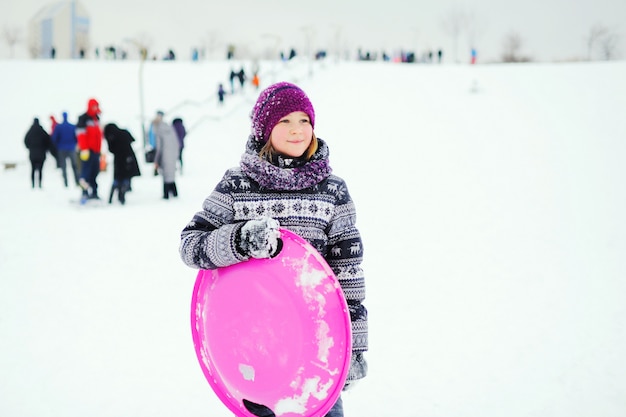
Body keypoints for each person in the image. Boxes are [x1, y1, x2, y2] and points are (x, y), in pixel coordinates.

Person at [179, 82, 368, 417]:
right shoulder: (237, 186)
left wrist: (351, 352)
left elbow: (348, 280)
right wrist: (239, 242)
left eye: (304, 121)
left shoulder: (332, 191)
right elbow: (191, 245)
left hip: (315, 351)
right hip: (255, 353)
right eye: (284, 121)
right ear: (265, 129)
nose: (297, 130)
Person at [103, 123, 141, 204]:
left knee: (117, 178)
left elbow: (111, 149)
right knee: (126, 177)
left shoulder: (111, 136)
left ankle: (111, 197)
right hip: (129, 157)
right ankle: (122, 195)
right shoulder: (124, 132)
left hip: (118, 159)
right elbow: (133, 140)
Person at [76, 98, 104, 202]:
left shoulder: (96, 118)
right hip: (87, 151)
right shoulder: (83, 118)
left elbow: (99, 136)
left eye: (96, 106)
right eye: (93, 106)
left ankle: (94, 192)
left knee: (95, 172)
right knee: (85, 173)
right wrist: (84, 148)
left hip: (96, 151)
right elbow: (81, 135)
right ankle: (84, 193)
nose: (95, 108)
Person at [152, 111, 179, 199]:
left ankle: (166, 194)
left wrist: (156, 160)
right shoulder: (169, 128)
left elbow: (159, 147)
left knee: (165, 175)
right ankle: (174, 193)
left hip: (164, 155)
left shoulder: (159, 130)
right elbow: (176, 142)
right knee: (171, 174)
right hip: (173, 154)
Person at [51, 111, 79, 187]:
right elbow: (76, 137)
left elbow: (54, 138)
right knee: (74, 166)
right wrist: (74, 143)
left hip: (61, 148)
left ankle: (66, 183)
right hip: (71, 148)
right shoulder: (72, 126)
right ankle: (77, 182)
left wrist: (57, 145)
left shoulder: (58, 127)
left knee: (64, 167)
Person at [24, 117, 54, 189]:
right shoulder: (42, 131)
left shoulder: (30, 131)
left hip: (32, 154)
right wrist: (45, 149)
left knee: (33, 169)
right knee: (40, 170)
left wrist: (30, 147)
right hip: (41, 154)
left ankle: (33, 184)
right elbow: (48, 141)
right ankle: (40, 184)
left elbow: (25, 140)